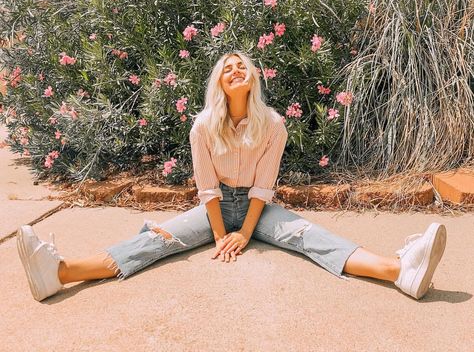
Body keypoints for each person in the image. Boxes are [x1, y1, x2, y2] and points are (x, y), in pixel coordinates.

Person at [17, 50, 447, 302]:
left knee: (309, 235)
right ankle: (59, 273)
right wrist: (223, 234)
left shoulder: (273, 123)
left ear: (253, 77)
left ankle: (399, 271)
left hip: (257, 207)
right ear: (220, 82)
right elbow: (206, 188)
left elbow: (263, 186)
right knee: (157, 241)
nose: (235, 70)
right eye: (227, 67)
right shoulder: (202, 125)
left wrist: (248, 231)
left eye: (242, 65)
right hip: (216, 207)